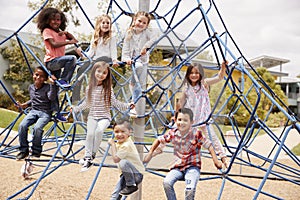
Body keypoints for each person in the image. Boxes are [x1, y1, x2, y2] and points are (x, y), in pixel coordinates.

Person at [144, 108, 222, 199]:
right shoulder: (173, 133)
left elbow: (209, 146)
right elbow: (159, 140)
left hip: (192, 166)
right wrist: (150, 153)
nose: (182, 123)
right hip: (178, 167)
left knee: (190, 188)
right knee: (167, 182)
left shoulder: (196, 133)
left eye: (185, 120)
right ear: (175, 120)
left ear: (191, 122)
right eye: (179, 120)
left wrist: (216, 161)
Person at [71, 61, 136, 172]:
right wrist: (76, 109)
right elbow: (87, 103)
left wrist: (127, 106)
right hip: (92, 116)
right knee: (90, 134)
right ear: (94, 72)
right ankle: (87, 157)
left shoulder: (108, 89)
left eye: (104, 73)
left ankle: (92, 156)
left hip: (104, 117)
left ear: (107, 75)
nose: (101, 75)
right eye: (99, 71)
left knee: (99, 131)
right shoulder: (89, 88)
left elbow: (116, 104)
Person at [177, 61, 228, 168]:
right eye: (191, 73)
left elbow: (219, 77)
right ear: (188, 74)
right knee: (183, 138)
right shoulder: (186, 88)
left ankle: (223, 158)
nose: (194, 75)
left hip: (204, 119)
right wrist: (176, 115)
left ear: (200, 74)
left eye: (196, 73)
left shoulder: (204, 84)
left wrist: (223, 67)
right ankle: (182, 160)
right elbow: (180, 102)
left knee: (213, 138)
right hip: (191, 120)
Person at [37, 7, 80, 122]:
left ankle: (56, 112)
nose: (56, 22)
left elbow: (75, 39)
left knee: (54, 90)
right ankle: (65, 80)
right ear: (47, 20)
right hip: (51, 62)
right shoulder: (47, 31)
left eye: (58, 20)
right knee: (72, 59)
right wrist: (68, 42)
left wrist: (66, 33)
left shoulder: (60, 33)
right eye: (53, 20)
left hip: (58, 62)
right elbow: (54, 44)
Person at [73, 14, 119, 104]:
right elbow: (91, 52)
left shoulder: (111, 38)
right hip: (96, 60)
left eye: (108, 23)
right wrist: (82, 54)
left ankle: (101, 96)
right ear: (99, 24)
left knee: (95, 68)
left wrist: (114, 60)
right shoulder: (95, 37)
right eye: (103, 23)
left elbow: (113, 50)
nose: (106, 24)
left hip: (106, 59)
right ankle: (75, 95)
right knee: (80, 69)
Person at [16, 66, 57, 160]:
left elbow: (51, 98)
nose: (38, 78)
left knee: (37, 128)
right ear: (33, 75)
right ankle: (23, 150)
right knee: (22, 126)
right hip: (33, 111)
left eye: (42, 76)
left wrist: (53, 85)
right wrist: (24, 105)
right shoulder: (31, 87)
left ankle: (36, 151)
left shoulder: (48, 87)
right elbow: (33, 100)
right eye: (36, 75)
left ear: (45, 79)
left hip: (45, 113)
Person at [121, 11, 158, 102]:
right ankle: (133, 99)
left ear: (147, 25)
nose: (141, 24)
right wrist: (126, 58)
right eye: (139, 21)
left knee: (141, 83)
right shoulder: (129, 33)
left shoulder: (146, 32)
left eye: (144, 23)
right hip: (134, 60)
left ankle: (134, 101)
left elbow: (155, 38)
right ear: (134, 20)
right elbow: (125, 49)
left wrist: (146, 46)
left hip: (143, 59)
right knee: (138, 68)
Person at [108, 118, 144, 199]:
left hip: (135, 174)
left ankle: (131, 185)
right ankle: (130, 185)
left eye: (123, 131)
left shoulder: (126, 145)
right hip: (127, 174)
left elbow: (116, 159)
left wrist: (112, 145)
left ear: (130, 132)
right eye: (116, 132)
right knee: (116, 194)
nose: (120, 134)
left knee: (122, 162)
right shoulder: (123, 142)